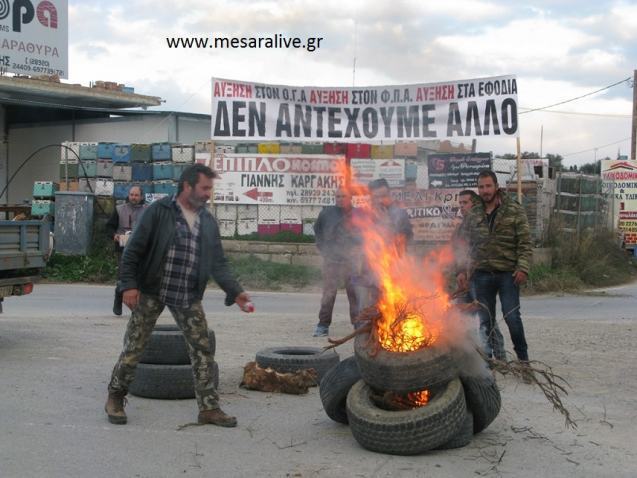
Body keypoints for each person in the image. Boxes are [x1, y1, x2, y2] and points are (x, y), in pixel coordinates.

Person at [105, 164, 253, 428]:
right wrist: (128, 285)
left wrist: (236, 292)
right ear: (188, 186)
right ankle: (115, 396)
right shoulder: (158, 211)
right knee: (134, 348)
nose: (209, 193)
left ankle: (209, 408)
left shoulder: (207, 220)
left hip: (187, 294)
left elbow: (218, 263)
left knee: (202, 350)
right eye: (205, 187)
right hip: (152, 289)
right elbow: (133, 251)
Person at [456, 170, 532, 363]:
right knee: (484, 320)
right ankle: (488, 363)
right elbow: (463, 245)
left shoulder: (514, 210)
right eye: (481, 187)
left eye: (488, 186)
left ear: (496, 186)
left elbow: (524, 242)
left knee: (512, 317)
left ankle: (523, 361)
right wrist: (461, 271)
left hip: (508, 273)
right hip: (481, 274)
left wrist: (523, 268)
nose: (485, 190)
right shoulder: (473, 214)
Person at [359, 178, 414, 308]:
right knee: (370, 307)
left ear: (389, 195)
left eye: (383, 196)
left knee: (391, 305)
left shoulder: (399, 214)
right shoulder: (366, 216)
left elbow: (406, 239)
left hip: (392, 269)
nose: (379, 200)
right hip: (370, 270)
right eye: (376, 197)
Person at [312, 188, 359, 337]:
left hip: (351, 262)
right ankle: (323, 325)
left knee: (354, 293)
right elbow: (317, 230)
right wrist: (323, 249)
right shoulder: (326, 213)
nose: (340, 199)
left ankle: (358, 325)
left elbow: (365, 234)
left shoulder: (358, 215)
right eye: (337, 196)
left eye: (343, 196)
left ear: (350, 197)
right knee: (329, 293)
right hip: (331, 260)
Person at [106, 185, 147, 316]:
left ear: (141, 196)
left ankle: (137, 306)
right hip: (123, 249)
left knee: (140, 277)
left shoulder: (148, 210)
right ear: (128, 195)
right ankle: (119, 296)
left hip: (141, 250)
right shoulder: (119, 209)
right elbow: (109, 227)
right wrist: (115, 236)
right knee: (124, 276)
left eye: (136, 195)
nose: (133, 197)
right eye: (131, 195)